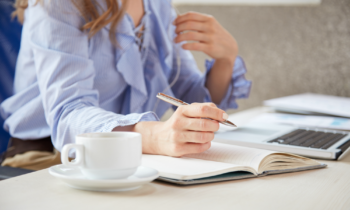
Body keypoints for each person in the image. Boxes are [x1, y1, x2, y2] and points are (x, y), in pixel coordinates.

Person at [0, 0, 251, 170]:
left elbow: (191, 95)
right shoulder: (59, 4)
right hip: (49, 158)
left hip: (126, 157)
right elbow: (69, 113)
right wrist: (155, 136)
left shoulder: (157, 5)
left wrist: (225, 59)